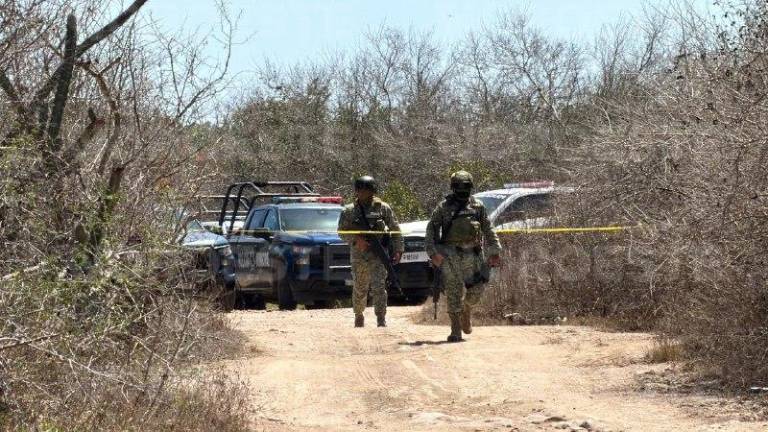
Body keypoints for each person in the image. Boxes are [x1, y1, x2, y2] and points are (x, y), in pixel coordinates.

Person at [425, 170, 502, 342]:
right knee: (453, 292)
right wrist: (433, 253)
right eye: (459, 186)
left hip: (474, 255)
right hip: (450, 256)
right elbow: (431, 229)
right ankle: (455, 329)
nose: (462, 190)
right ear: (453, 187)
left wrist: (495, 250)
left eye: (465, 186)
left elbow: (488, 229)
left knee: (477, 290)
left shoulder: (477, 206)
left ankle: (466, 309)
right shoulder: (443, 207)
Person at [338, 176, 403, 328]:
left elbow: (395, 229)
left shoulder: (382, 208)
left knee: (379, 287)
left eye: (367, 190)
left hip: (378, 254)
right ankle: (359, 315)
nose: (363, 193)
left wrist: (399, 249)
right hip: (359, 254)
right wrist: (356, 239)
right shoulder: (349, 210)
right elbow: (341, 232)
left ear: (373, 191)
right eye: (360, 190)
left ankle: (381, 318)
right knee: (360, 287)